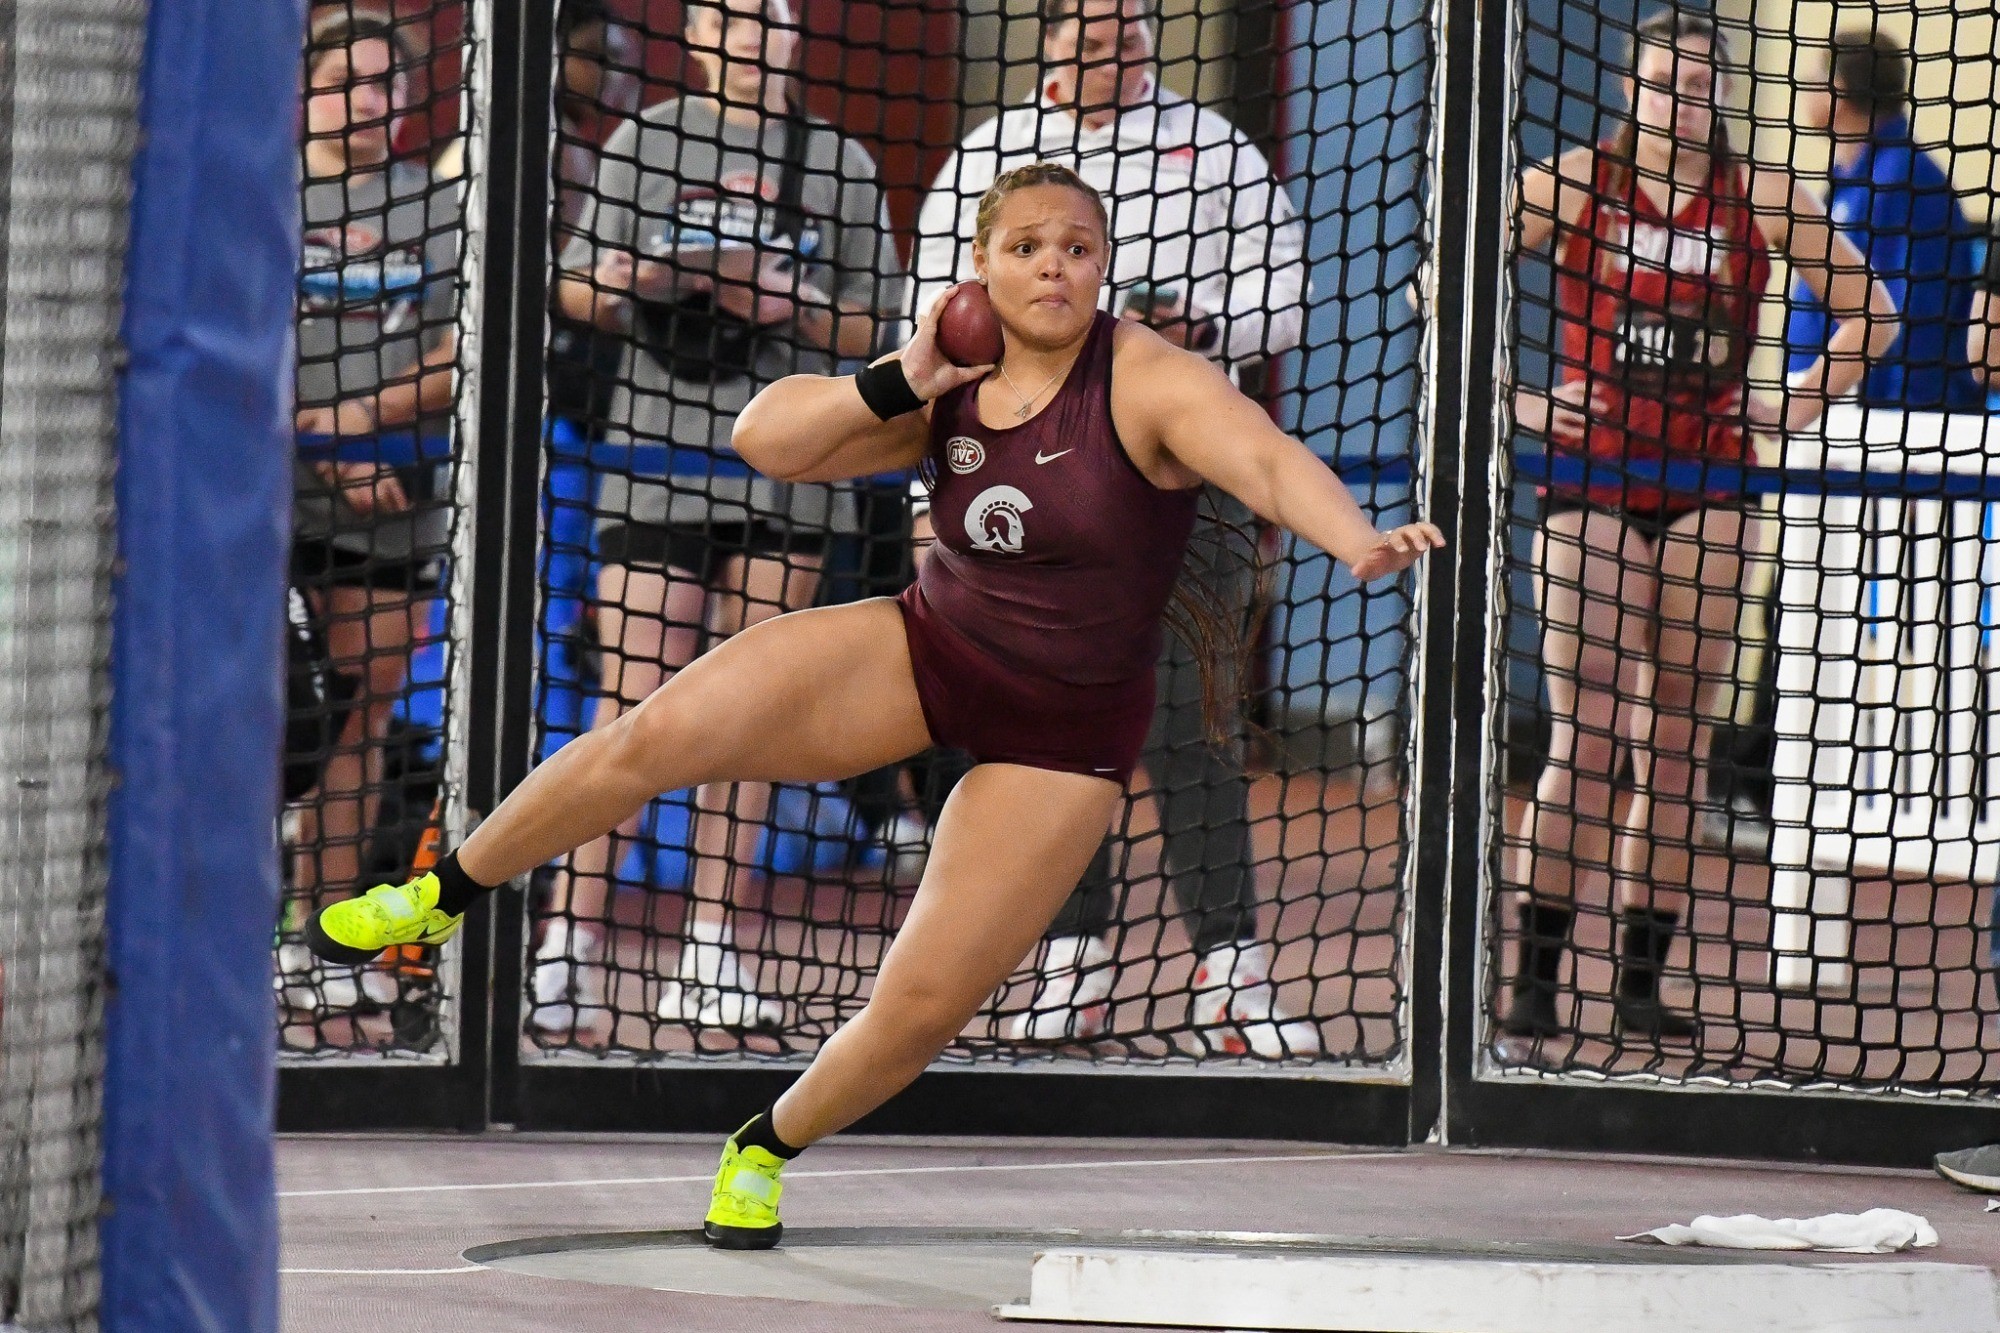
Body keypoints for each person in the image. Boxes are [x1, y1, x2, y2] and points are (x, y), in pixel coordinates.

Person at [300, 162, 1441, 1247]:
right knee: (655, 731)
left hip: (1062, 733)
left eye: (1078, 249)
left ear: (1103, 269)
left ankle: (762, 1146)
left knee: (924, 1003)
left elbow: (1267, 457)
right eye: (1027, 247)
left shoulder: (1145, 376)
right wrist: (904, 373)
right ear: (979, 266)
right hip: (925, 647)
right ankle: (438, 896)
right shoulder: (946, 377)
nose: (1054, 267)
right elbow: (765, 441)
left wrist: (1354, 538)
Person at [909, 0, 1315, 1055]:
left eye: (1131, 20)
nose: (1114, 37)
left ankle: (1229, 976)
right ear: (1046, 36)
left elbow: (1285, 299)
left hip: (1185, 466)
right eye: (1089, 23)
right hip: (1027, 473)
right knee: (1046, 725)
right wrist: (925, 499)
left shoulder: (1215, 149)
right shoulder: (991, 153)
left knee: (1196, 713)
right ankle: (1066, 968)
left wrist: (1206, 328)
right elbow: (927, 319)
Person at [1500, 9, 1897, 1046]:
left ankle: (1637, 982)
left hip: (1709, 484)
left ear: (1718, 91)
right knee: (1586, 735)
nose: (1680, 102)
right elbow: (1436, 283)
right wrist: (1517, 398)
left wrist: (1796, 400)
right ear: (1630, 87)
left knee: (1674, 744)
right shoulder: (1572, 181)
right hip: (1589, 481)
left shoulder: (1762, 194)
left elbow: (1875, 312)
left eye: (1696, 85)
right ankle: (1533, 979)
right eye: (1662, 84)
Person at [530, 0, 905, 1035]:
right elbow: (569, 284)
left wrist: (780, 305)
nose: (748, 36)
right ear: (697, 38)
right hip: (655, 459)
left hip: (789, 461)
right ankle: (570, 942)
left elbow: (874, 323)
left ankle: (712, 948)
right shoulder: (645, 140)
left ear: (797, 37)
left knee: (748, 714)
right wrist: (628, 285)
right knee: (637, 700)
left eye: (768, 20)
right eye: (727, 20)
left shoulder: (835, 160)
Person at [278, 3, 461, 1013]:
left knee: (358, 720)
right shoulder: (261, 188)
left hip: (389, 501)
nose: (368, 101)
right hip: (258, 506)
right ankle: (241, 934)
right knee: (255, 722)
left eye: (385, 84)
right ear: (305, 89)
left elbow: (452, 356)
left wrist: (352, 424)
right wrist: (318, 443)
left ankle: (320, 940)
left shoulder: (437, 209)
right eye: (346, 81)